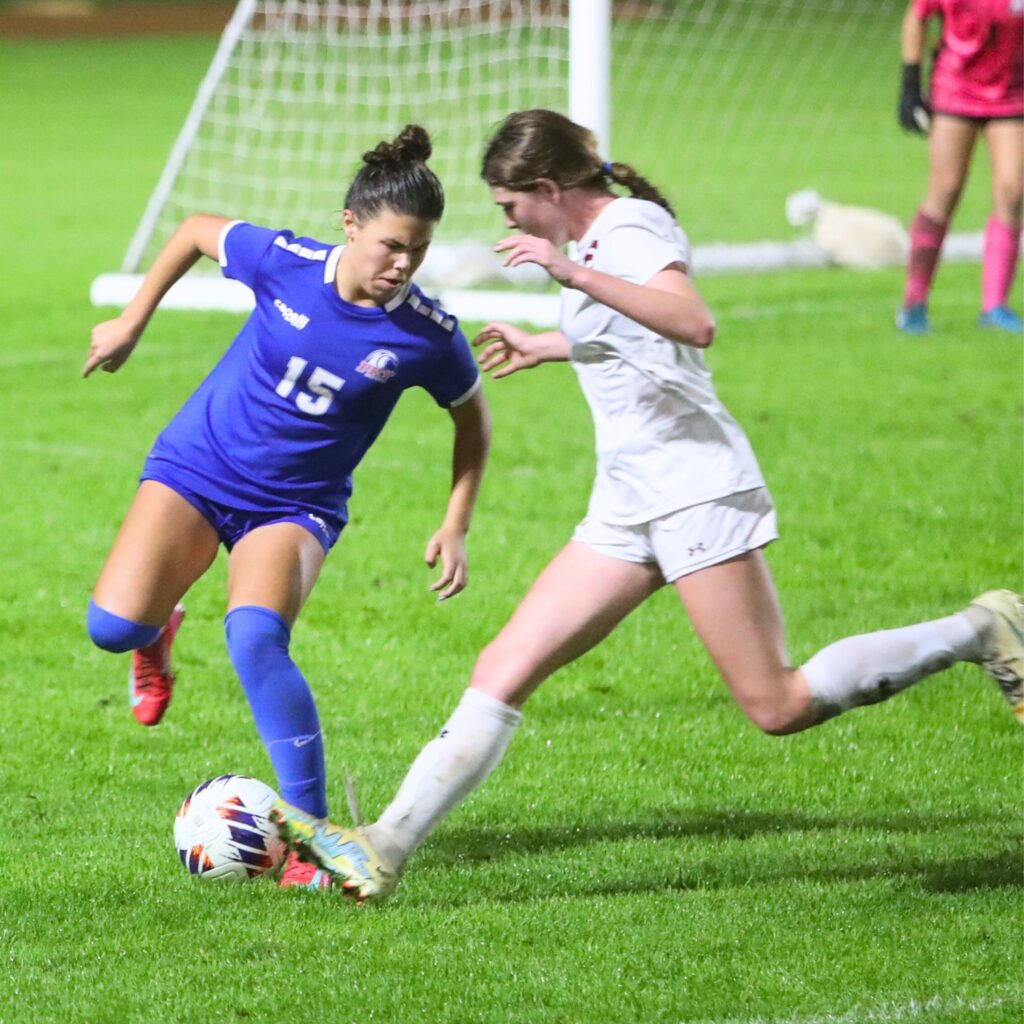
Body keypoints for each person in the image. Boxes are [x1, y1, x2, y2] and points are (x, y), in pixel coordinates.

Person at [271, 109, 1024, 903]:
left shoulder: (625, 231)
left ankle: (981, 629)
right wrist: (552, 342)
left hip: (693, 489)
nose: (508, 222)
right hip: (630, 498)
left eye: (509, 206)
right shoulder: (604, 240)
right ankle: (383, 848)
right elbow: (637, 333)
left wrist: (569, 276)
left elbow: (691, 322)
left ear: (549, 190)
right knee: (504, 668)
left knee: (777, 703)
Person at [83, 125, 491, 890]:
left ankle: (315, 844)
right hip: (197, 467)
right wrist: (133, 320)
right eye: (390, 246)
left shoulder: (426, 334)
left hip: (295, 506)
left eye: (418, 251)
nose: (401, 265)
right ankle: (156, 630)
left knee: (255, 641)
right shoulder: (288, 263)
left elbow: (472, 421)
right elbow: (196, 231)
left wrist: (455, 520)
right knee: (110, 628)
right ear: (350, 225)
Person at [895, 0, 1023, 334]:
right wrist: (910, 84)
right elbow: (917, 16)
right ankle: (914, 303)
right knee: (945, 190)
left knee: (1012, 191)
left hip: (1013, 91)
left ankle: (995, 307)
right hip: (957, 89)